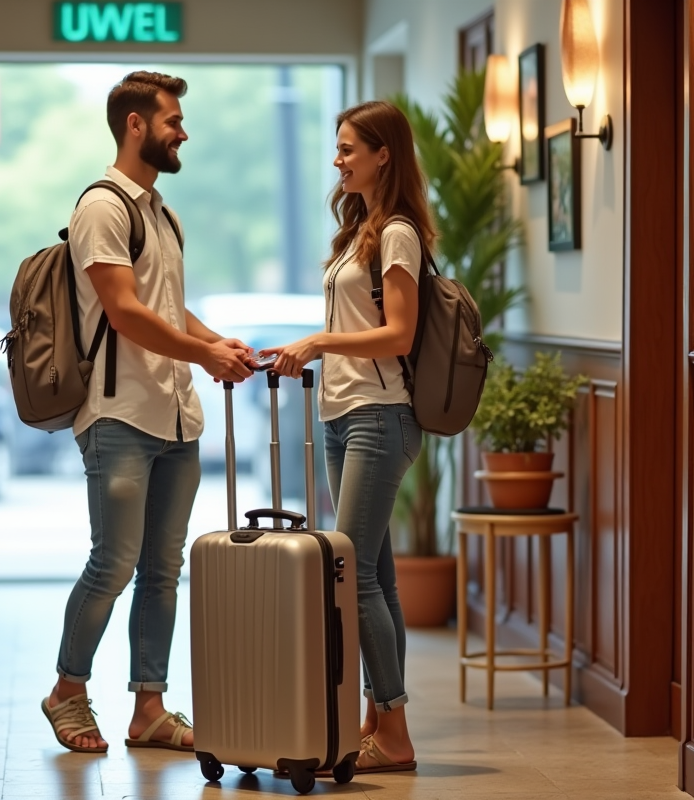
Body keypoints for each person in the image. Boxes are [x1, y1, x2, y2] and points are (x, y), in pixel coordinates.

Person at [41, 71, 254, 755]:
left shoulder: (163, 214)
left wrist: (215, 344)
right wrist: (202, 352)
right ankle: (67, 690)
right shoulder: (102, 207)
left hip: (175, 416)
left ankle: (149, 710)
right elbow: (125, 312)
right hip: (119, 415)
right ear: (136, 125)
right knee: (114, 562)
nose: (182, 131)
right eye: (173, 120)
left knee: (163, 570)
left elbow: (165, 306)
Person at [260, 100, 431, 774]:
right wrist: (306, 349)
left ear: (384, 154)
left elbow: (400, 336)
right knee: (375, 577)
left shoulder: (398, 233)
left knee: (349, 574)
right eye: (337, 149)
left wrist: (320, 341)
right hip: (343, 415)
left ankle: (396, 734)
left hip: (379, 417)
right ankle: (378, 722)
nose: (337, 160)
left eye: (348, 149)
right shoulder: (361, 229)